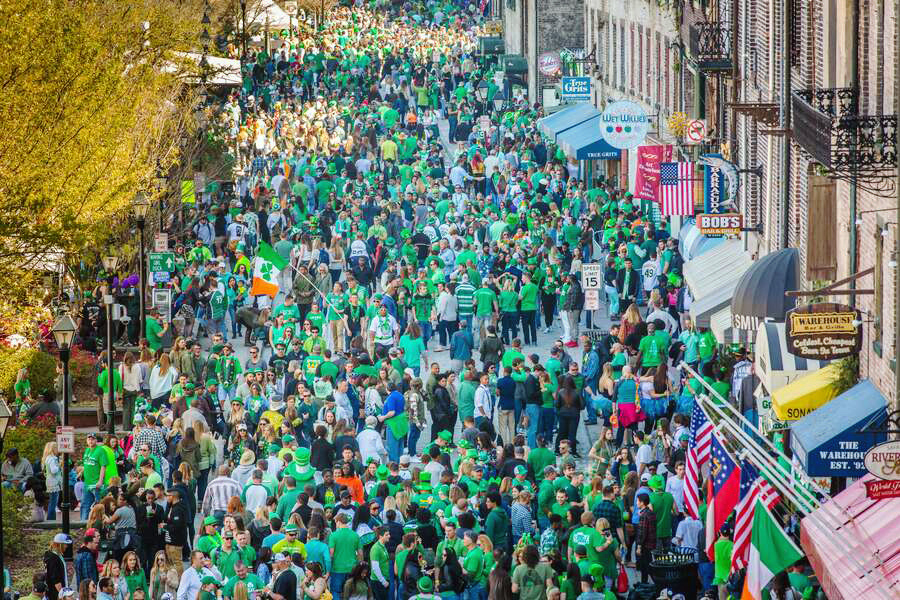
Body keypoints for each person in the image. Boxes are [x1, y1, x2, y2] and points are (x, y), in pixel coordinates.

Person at [44, 533, 73, 600]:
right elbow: (56, 580)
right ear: (60, 545)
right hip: (55, 594)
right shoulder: (53, 558)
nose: (67, 546)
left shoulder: (57, 555)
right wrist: (63, 595)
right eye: (65, 544)